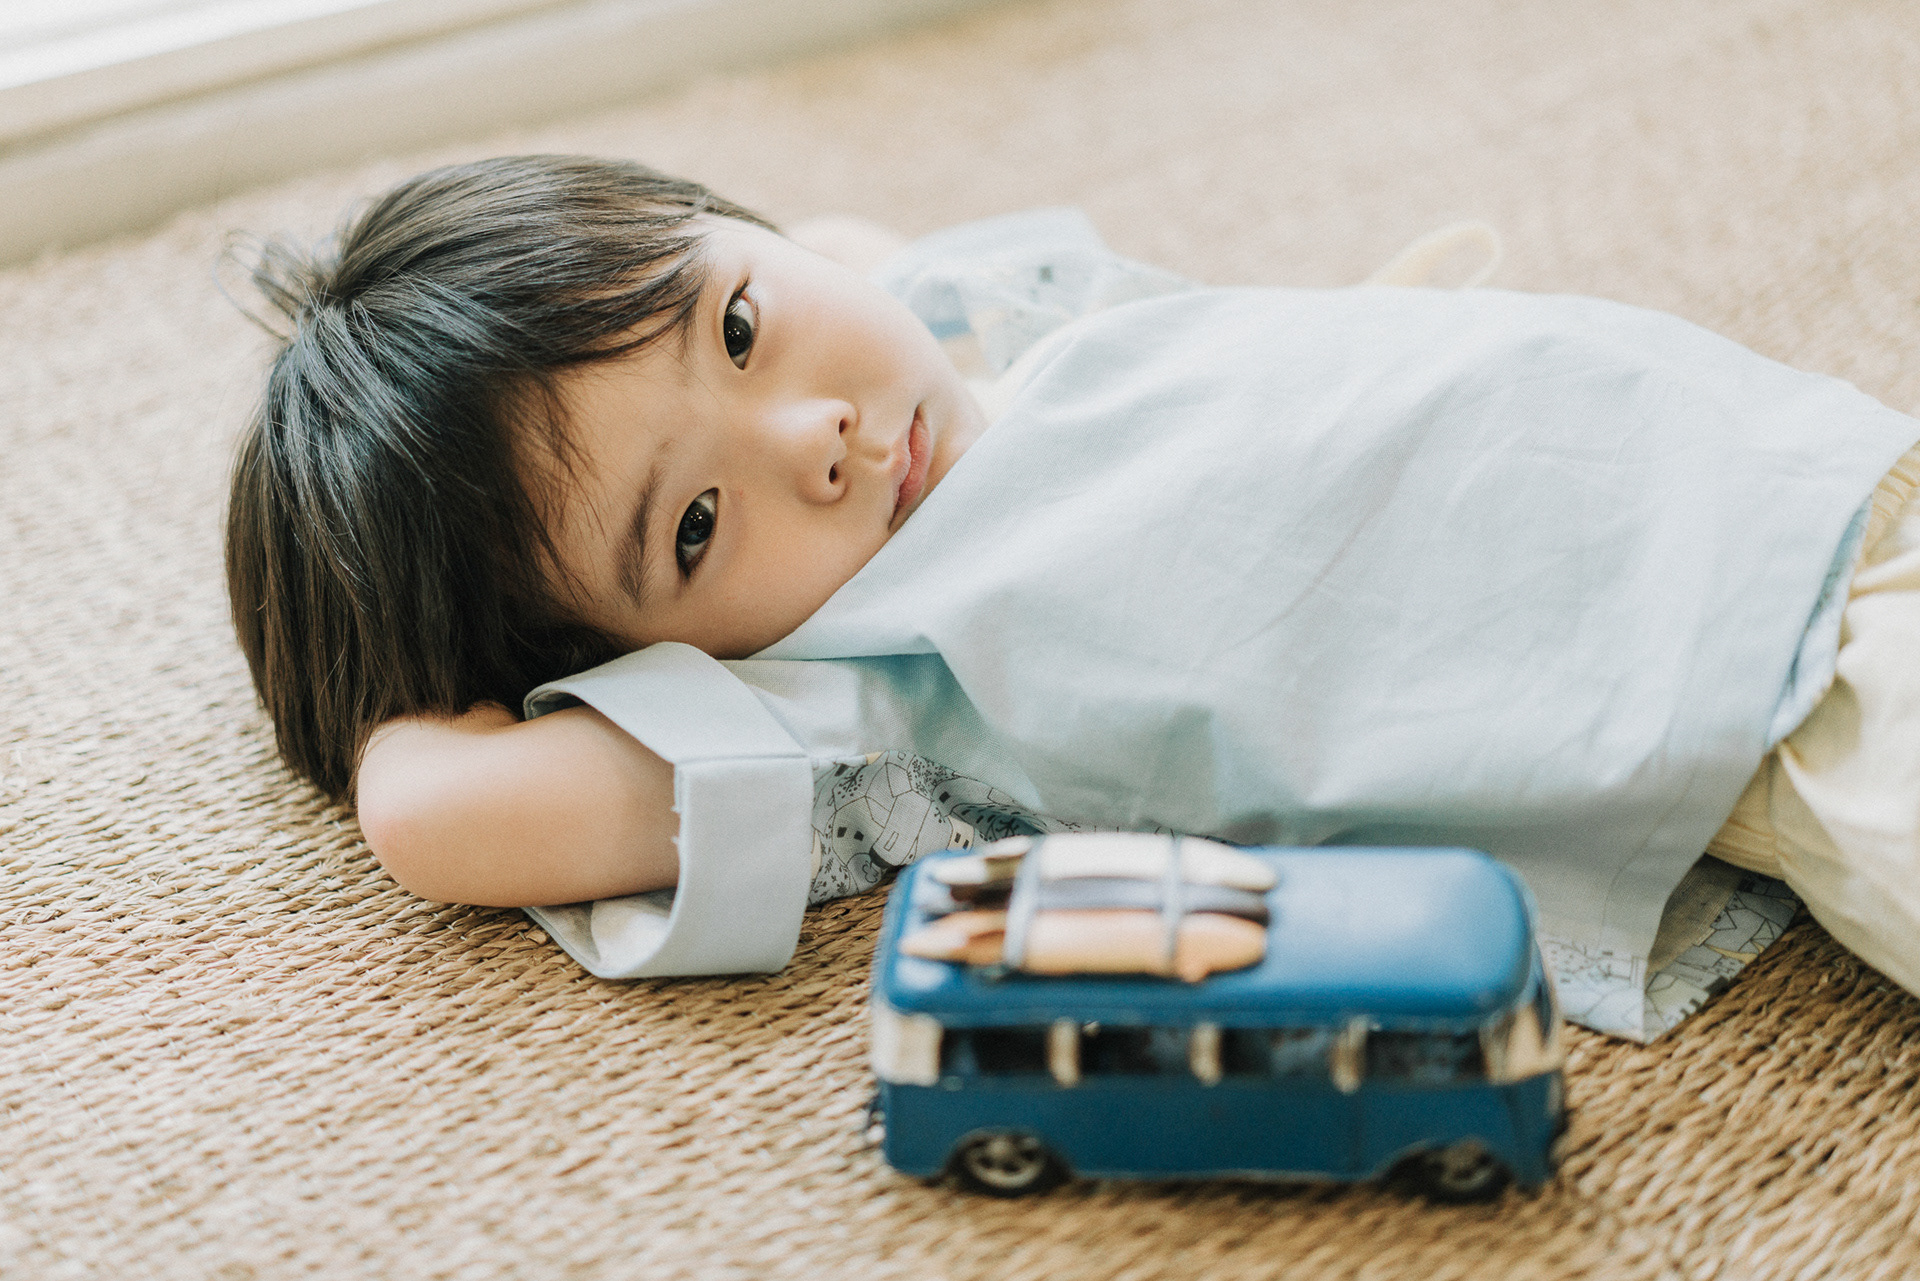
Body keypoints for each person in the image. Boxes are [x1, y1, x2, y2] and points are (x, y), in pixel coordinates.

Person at [227, 154, 1920, 1023]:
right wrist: (397, 673)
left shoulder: (992, 334)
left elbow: (836, 246)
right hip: (1774, 701)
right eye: (693, 530)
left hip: (1762, 462)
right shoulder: (864, 693)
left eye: (737, 328)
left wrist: (784, 295)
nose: (817, 438)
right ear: (623, 672)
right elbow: (434, 811)